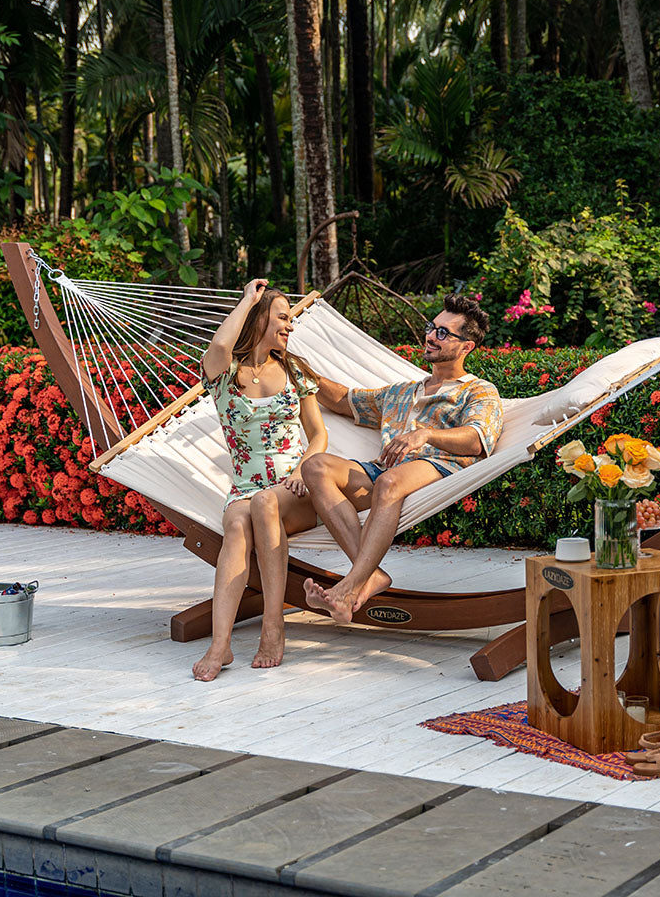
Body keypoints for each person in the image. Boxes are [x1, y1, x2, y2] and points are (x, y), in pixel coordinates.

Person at [301, 293, 502, 623]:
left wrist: (425, 434)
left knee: (391, 481)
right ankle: (371, 576)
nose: (430, 337)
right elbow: (342, 400)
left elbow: (478, 440)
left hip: (438, 466)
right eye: (430, 328)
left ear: (466, 346)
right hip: (383, 472)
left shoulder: (478, 390)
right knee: (316, 466)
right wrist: (294, 365)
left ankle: (349, 585)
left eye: (442, 333)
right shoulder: (401, 392)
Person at [193, 279, 326, 681]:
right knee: (236, 525)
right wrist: (248, 299)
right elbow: (219, 347)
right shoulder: (224, 373)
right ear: (258, 318)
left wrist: (304, 467)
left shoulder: (295, 372)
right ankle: (221, 644)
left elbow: (318, 434)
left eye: (291, 319)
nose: (290, 325)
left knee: (262, 505)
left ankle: (273, 624)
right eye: (283, 317)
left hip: (293, 486)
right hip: (245, 487)